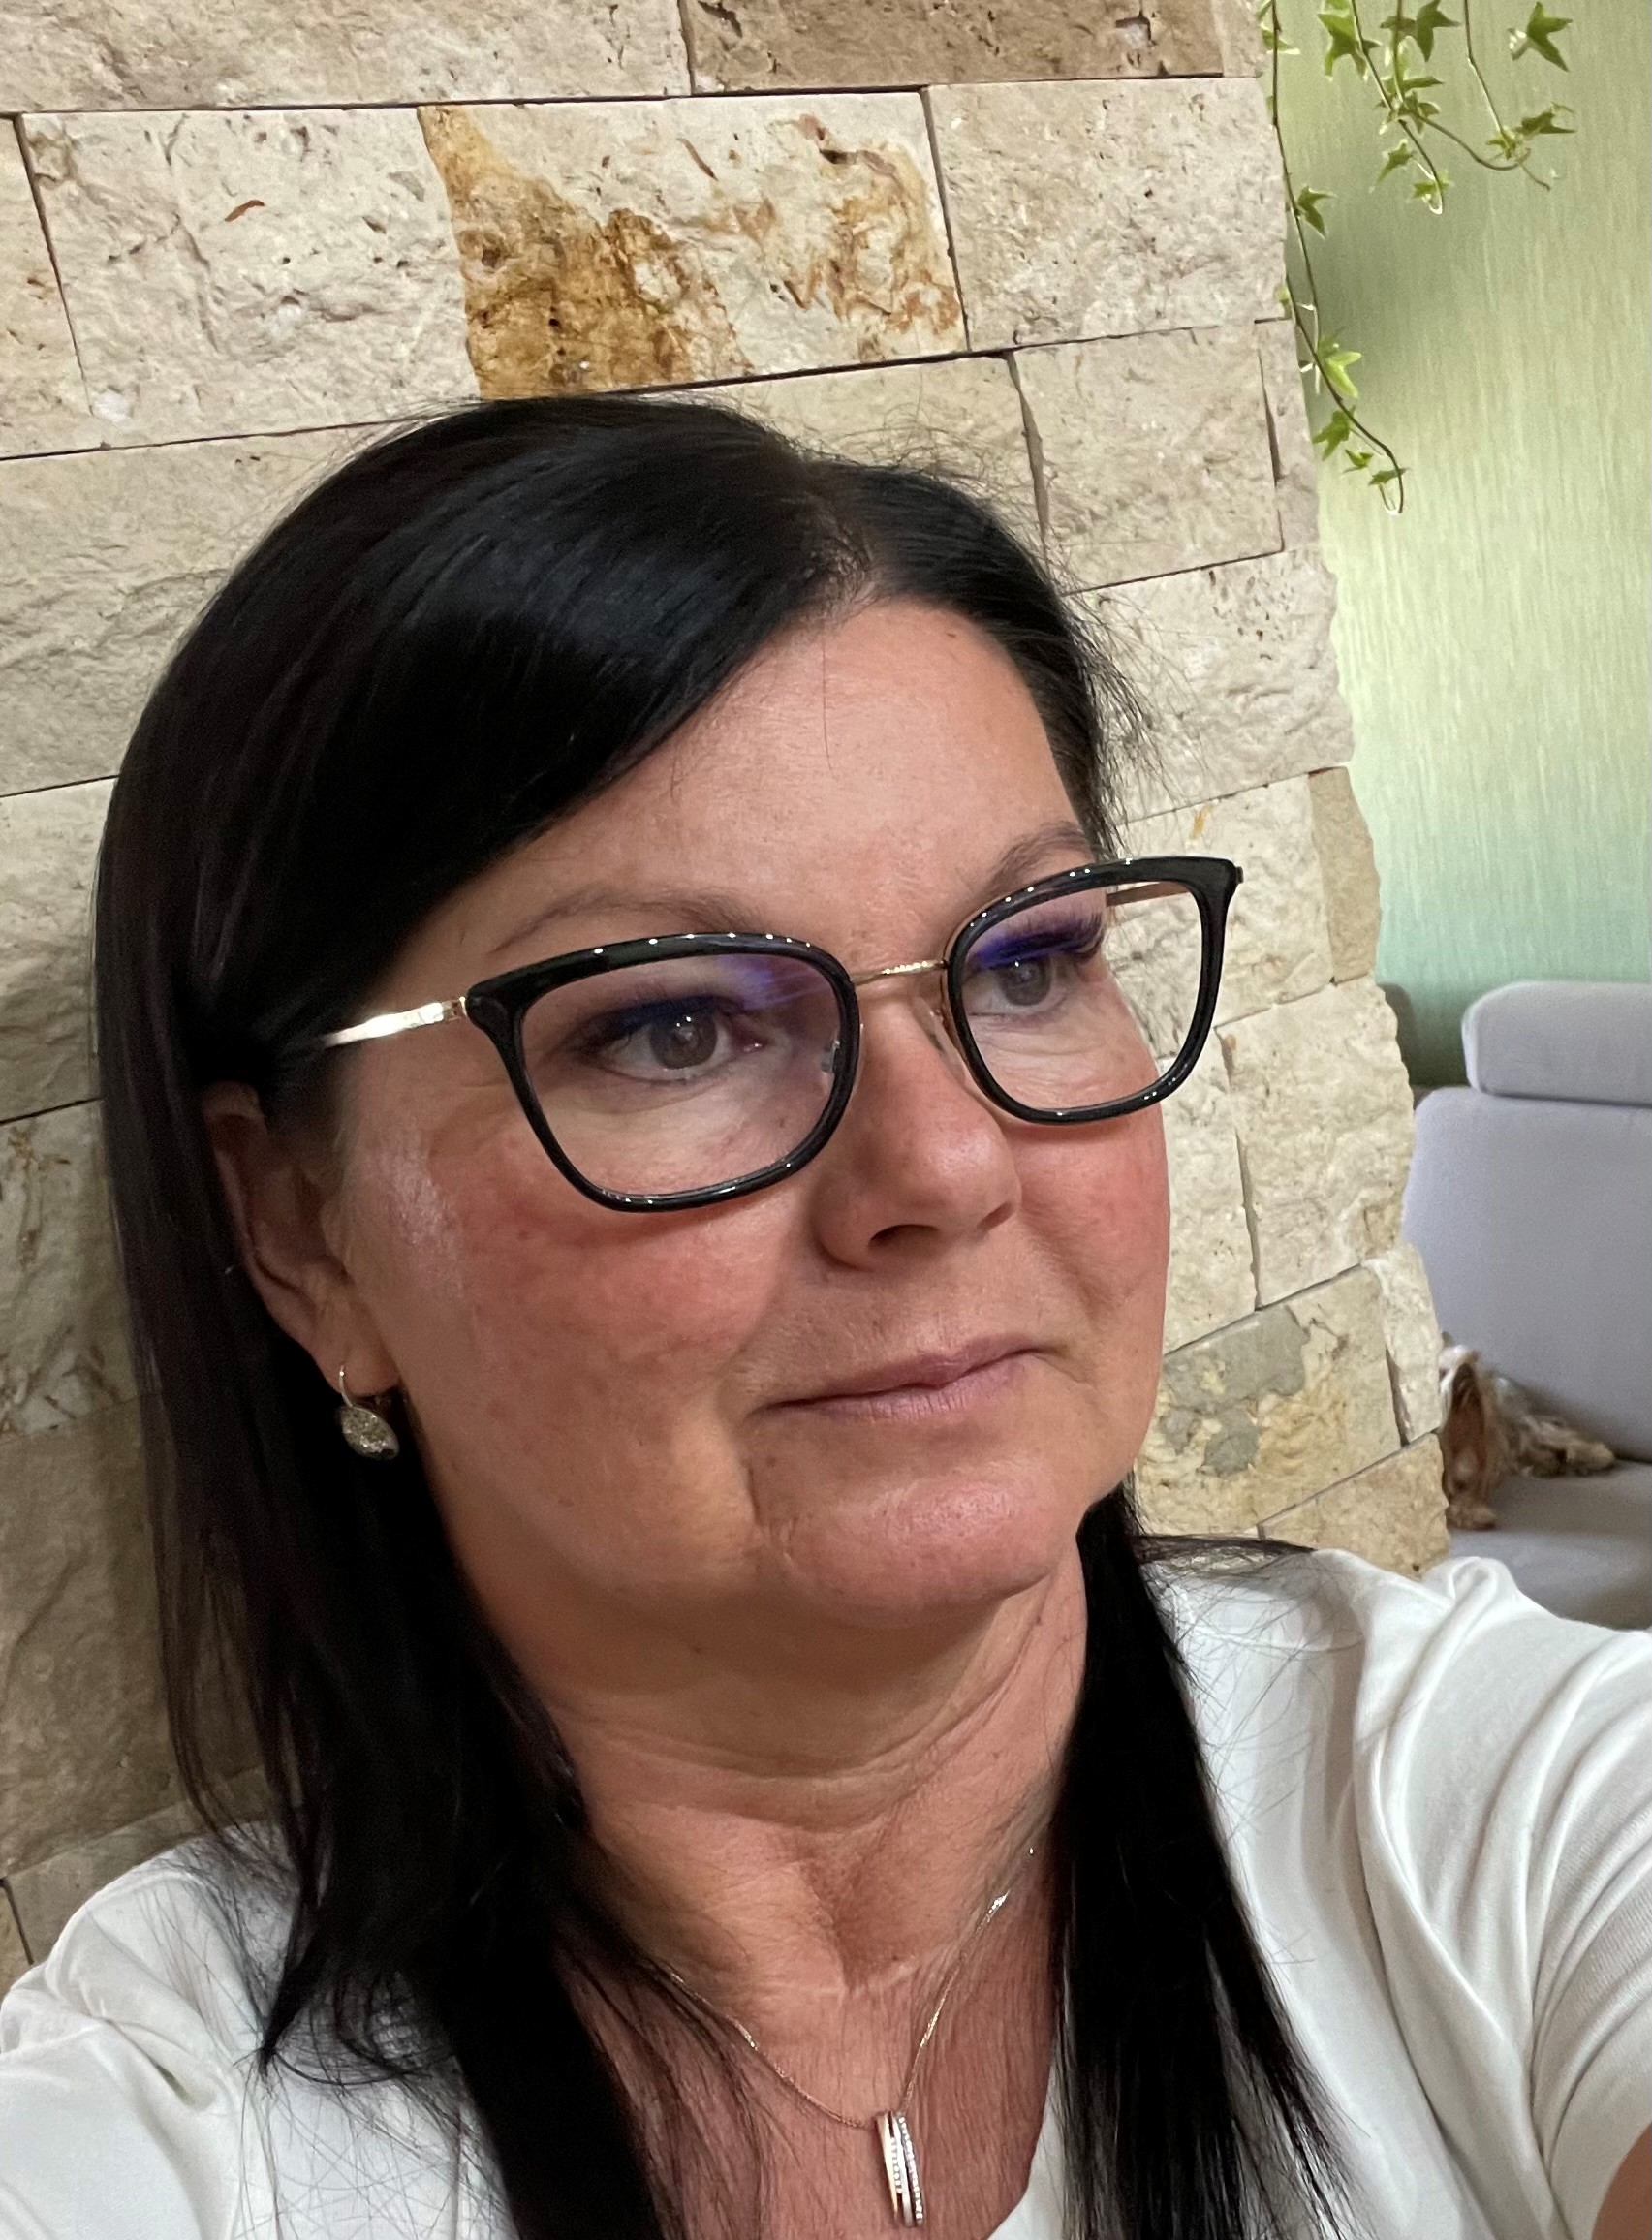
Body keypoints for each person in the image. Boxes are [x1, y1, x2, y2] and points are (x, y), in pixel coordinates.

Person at [0, 397, 1645, 2240]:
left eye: (1029, 961)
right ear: (303, 1231)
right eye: (672, 1026)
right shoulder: (167, 2123)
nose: (945, 1166)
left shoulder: (1510, 1811)